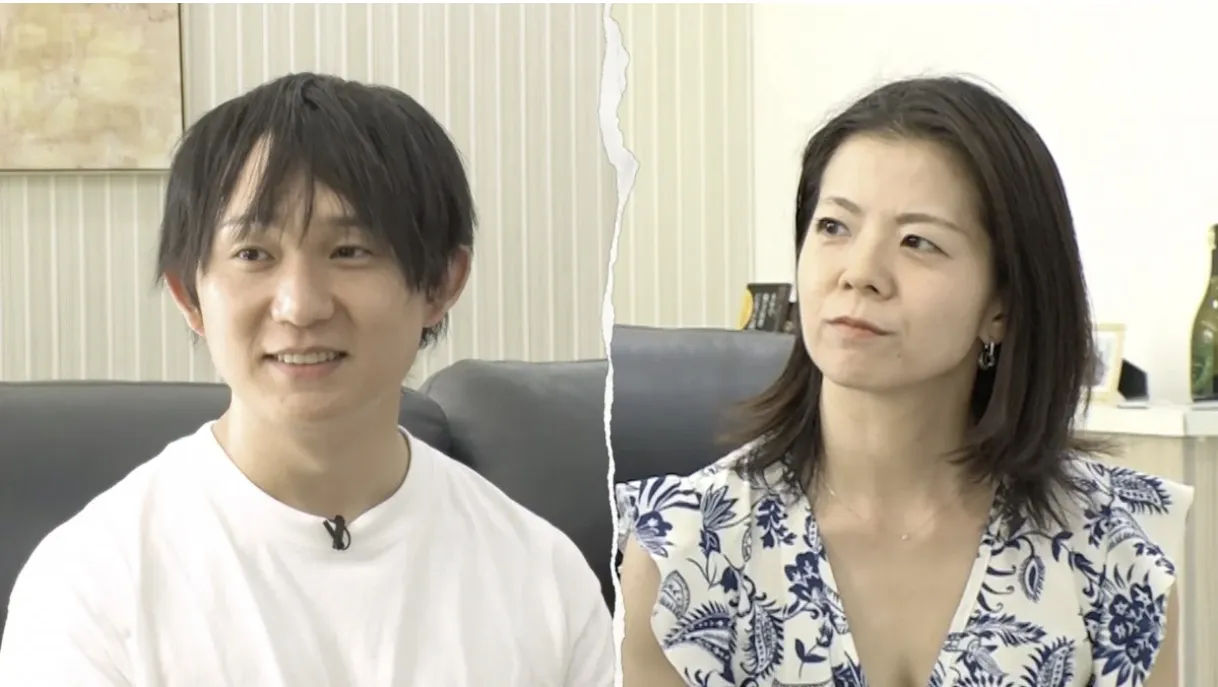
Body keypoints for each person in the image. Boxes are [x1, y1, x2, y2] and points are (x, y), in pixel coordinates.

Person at [0, 73, 613, 686]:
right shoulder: (92, 584)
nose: (299, 306)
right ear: (190, 295)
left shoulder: (542, 576)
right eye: (253, 254)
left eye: (350, 251)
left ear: (440, 284)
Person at [617, 76, 1194, 687]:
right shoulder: (682, 557)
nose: (859, 272)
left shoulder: (1114, 552)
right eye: (834, 227)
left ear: (1001, 306)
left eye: (918, 241)